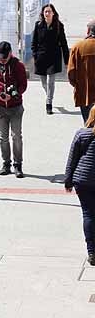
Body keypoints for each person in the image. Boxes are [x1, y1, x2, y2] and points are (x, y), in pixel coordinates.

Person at [0, 41, 28, 177]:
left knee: (16, 137)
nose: (2, 60)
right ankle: (6, 163)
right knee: (3, 138)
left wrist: (14, 95)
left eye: (5, 58)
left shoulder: (18, 65)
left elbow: (23, 85)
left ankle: (18, 165)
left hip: (15, 107)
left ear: (10, 54)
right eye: (0, 58)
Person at [66, 111, 95, 264]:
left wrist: (68, 180)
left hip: (83, 181)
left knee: (88, 214)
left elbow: (73, 158)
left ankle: (92, 252)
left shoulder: (82, 134)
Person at [31, 3, 70, 114]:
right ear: (43, 14)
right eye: (45, 12)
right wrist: (35, 55)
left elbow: (64, 43)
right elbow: (34, 43)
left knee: (51, 82)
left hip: (54, 57)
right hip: (41, 57)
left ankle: (49, 103)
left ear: (53, 13)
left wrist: (67, 60)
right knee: (43, 82)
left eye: (49, 11)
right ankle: (49, 94)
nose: (47, 13)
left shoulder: (58, 25)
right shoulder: (38, 25)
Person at [69, 20, 95, 123]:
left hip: (85, 93)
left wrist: (78, 85)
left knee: (88, 123)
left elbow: (71, 72)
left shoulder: (77, 47)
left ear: (88, 30)